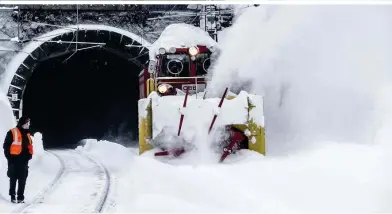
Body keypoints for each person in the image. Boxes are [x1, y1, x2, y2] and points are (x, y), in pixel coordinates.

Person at [3, 116, 33, 203]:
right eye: (27, 123)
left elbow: (29, 146)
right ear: (23, 123)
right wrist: (9, 158)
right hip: (14, 159)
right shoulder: (12, 132)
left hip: (24, 161)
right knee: (13, 178)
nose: (28, 125)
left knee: (22, 179)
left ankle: (20, 197)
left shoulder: (27, 134)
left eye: (29, 123)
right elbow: (6, 146)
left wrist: (29, 155)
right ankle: (12, 196)